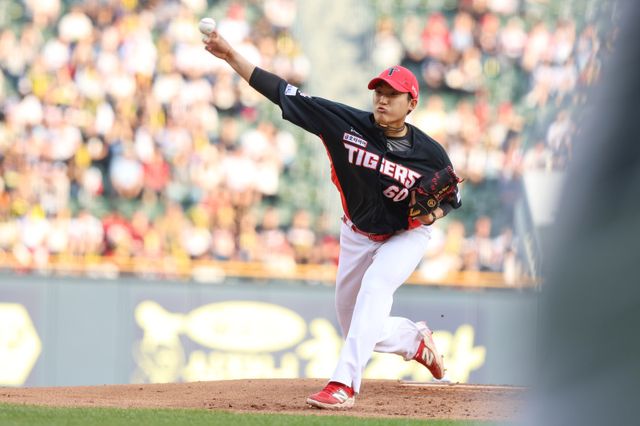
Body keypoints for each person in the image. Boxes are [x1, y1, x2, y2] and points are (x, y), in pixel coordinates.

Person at [202, 22, 462, 409]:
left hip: (404, 235)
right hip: (356, 232)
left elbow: (452, 196)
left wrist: (433, 214)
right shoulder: (344, 123)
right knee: (356, 325)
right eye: (379, 91)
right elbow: (281, 91)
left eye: (393, 94)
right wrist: (230, 56)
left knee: (376, 288)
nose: (383, 99)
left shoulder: (431, 153)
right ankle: (413, 340)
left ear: (412, 103)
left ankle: (343, 385)